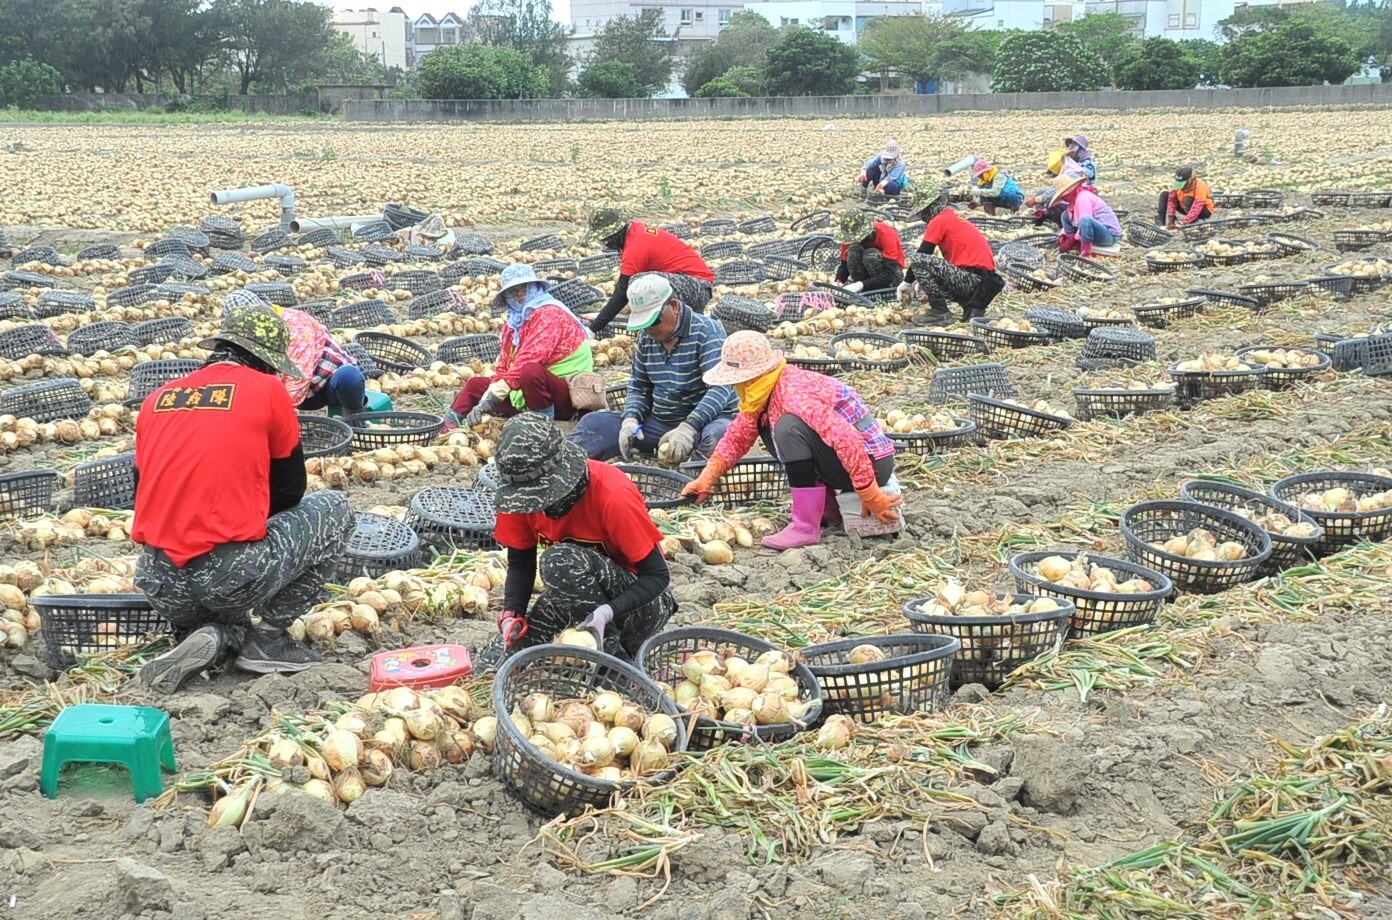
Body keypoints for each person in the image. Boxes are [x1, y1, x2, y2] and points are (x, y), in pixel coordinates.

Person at [131, 301, 353, 693]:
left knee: (222, 615)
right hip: (229, 575)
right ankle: (268, 638)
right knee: (335, 510)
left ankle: (213, 636)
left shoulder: (157, 399)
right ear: (265, 361)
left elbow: (142, 489)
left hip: (159, 581)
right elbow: (290, 492)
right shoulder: (268, 390)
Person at [680, 331, 902, 550]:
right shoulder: (764, 391)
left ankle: (805, 527)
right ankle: (826, 509)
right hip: (849, 464)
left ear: (752, 377)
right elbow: (737, 437)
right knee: (771, 427)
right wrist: (705, 479)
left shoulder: (792, 392)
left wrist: (869, 493)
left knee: (788, 429)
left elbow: (847, 439)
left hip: (871, 463)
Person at [486, 413, 676, 665]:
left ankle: (613, 661)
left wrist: (606, 614)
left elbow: (657, 576)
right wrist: (512, 613)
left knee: (559, 560)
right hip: (577, 601)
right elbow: (521, 563)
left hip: (638, 607)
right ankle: (594, 649)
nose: (539, 506)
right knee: (495, 660)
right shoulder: (520, 501)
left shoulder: (612, 495)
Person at [568, 273, 735, 463]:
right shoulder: (647, 337)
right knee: (595, 424)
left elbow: (720, 389)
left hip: (705, 423)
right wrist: (631, 419)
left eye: (654, 321)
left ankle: (692, 475)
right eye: (644, 324)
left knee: (718, 436)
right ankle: (565, 465)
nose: (649, 330)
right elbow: (639, 386)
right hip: (661, 423)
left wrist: (689, 427)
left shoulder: (707, 332)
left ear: (673, 306)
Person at [445, 263, 592, 430]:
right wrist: (487, 397)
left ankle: (543, 428)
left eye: (524, 287)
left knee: (530, 371)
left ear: (534, 287)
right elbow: (503, 367)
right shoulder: (513, 323)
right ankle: (447, 429)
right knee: (475, 385)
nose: (519, 294)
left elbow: (530, 358)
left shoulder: (550, 313)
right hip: (527, 394)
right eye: (512, 291)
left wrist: (493, 398)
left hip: (566, 397)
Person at [225, 291, 369, 415]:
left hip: (326, 384)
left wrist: (276, 415)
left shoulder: (296, 325)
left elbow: (299, 376)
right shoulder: (243, 337)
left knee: (349, 377)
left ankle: (354, 419)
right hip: (283, 389)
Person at [585, 209, 715, 333]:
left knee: (636, 283)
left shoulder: (635, 247)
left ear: (616, 233)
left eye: (606, 238)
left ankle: (663, 325)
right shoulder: (635, 229)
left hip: (698, 287)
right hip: (691, 282)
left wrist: (594, 328)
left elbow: (622, 292)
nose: (605, 243)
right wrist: (604, 314)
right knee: (635, 284)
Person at [899, 188, 1004, 327]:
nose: (924, 219)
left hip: (975, 281)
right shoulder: (952, 217)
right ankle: (970, 306)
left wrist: (907, 282)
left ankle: (939, 311)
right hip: (982, 283)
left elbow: (924, 253)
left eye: (923, 214)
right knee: (926, 270)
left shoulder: (940, 220)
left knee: (919, 260)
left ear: (929, 208)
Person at [833, 210, 905, 293]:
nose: (857, 240)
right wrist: (838, 282)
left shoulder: (886, 233)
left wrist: (861, 285)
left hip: (891, 278)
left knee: (870, 255)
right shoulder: (849, 239)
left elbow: (890, 274)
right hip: (865, 281)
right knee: (853, 250)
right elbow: (844, 266)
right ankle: (865, 290)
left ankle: (879, 291)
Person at [1055, 174, 1123, 258]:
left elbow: (1085, 222)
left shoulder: (1082, 198)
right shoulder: (1073, 203)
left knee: (1085, 220)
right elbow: (1072, 219)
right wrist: (1064, 235)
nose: (1063, 199)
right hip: (1096, 232)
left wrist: (1071, 243)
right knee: (1065, 215)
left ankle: (1085, 252)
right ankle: (1072, 240)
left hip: (1110, 235)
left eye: (1063, 196)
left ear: (1068, 192)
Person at [1024, 151, 1086, 229]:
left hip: (1074, 207)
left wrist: (1034, 200)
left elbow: (1051, 193)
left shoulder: (1069, 174)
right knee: (1043, 195)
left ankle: (1059, 224)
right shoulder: (1076, 170)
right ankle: (1042, 214)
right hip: (1073, 204)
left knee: (1050, 203)